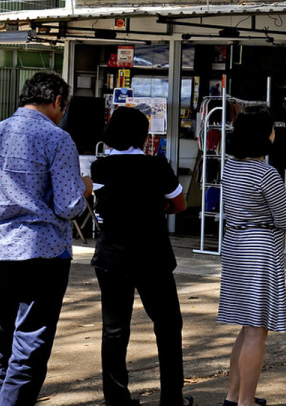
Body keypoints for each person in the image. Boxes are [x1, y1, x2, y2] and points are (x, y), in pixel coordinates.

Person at [0, 72, 93, 405]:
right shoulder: (57, 138)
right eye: (63, 106)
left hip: (2, 248)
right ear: (57, 101)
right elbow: (69, 206)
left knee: (7, 341)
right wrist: (84, 188)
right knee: (32, 343)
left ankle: (6, 397)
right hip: (45, 251)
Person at [91, 107, 193, 406]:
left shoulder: (100, 167)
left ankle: (116, 399)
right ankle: (171, 398)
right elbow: (180, 204)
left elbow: (100, 203)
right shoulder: (158, 166)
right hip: (153, 254)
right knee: (168, 326)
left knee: (114, 329)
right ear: (144, 135)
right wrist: (157, 208)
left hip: (112, 256)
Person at [218, 106, 286, 406]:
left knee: (246, 325)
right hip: (261, 249)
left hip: (235, 243)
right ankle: (246, 401)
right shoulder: (266, 173)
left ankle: (234, 396)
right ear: (265, 135)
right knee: (257, 330)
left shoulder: (229, 166)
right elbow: (284, 219)